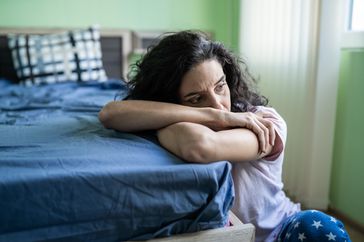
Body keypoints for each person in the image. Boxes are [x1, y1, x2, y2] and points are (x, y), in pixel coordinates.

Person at [99, 30, 351, 242]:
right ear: (170, 100)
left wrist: (193, 114)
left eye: (220, 86)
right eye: (196, 98)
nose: (218, 105)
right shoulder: (207, 118)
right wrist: (217, 117)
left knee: (316, 225)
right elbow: (111, 114)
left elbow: (200, 146)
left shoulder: (263, 122)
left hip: (282, 231)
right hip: (228, 234)